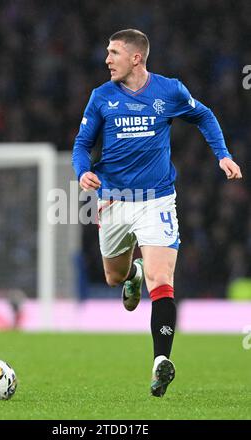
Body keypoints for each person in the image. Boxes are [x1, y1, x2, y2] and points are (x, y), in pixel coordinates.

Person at [72, 29, 242, 397]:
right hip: (114, 200)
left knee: (161, 278)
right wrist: (82, 170)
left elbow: (205, 115)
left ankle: (160, 362)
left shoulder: (170, 91)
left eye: (113, 52)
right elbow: (82, 143)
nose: (107, 59)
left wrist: (223, 154)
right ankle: (130, 271)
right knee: (114, 277)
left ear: (136, 58)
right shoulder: (101, 97)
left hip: (157, 199)